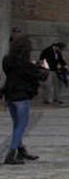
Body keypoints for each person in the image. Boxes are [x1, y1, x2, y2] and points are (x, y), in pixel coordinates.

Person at [2, 35, 47, 164]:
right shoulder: (25, 65)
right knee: (21, 125)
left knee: (17, 124)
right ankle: (11, 154)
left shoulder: (7, 60)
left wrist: (32, 65)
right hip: (21, 96)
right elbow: (41, 76)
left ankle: (21, 149)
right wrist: (43, 67)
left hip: (9, 94)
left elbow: (12, 71)